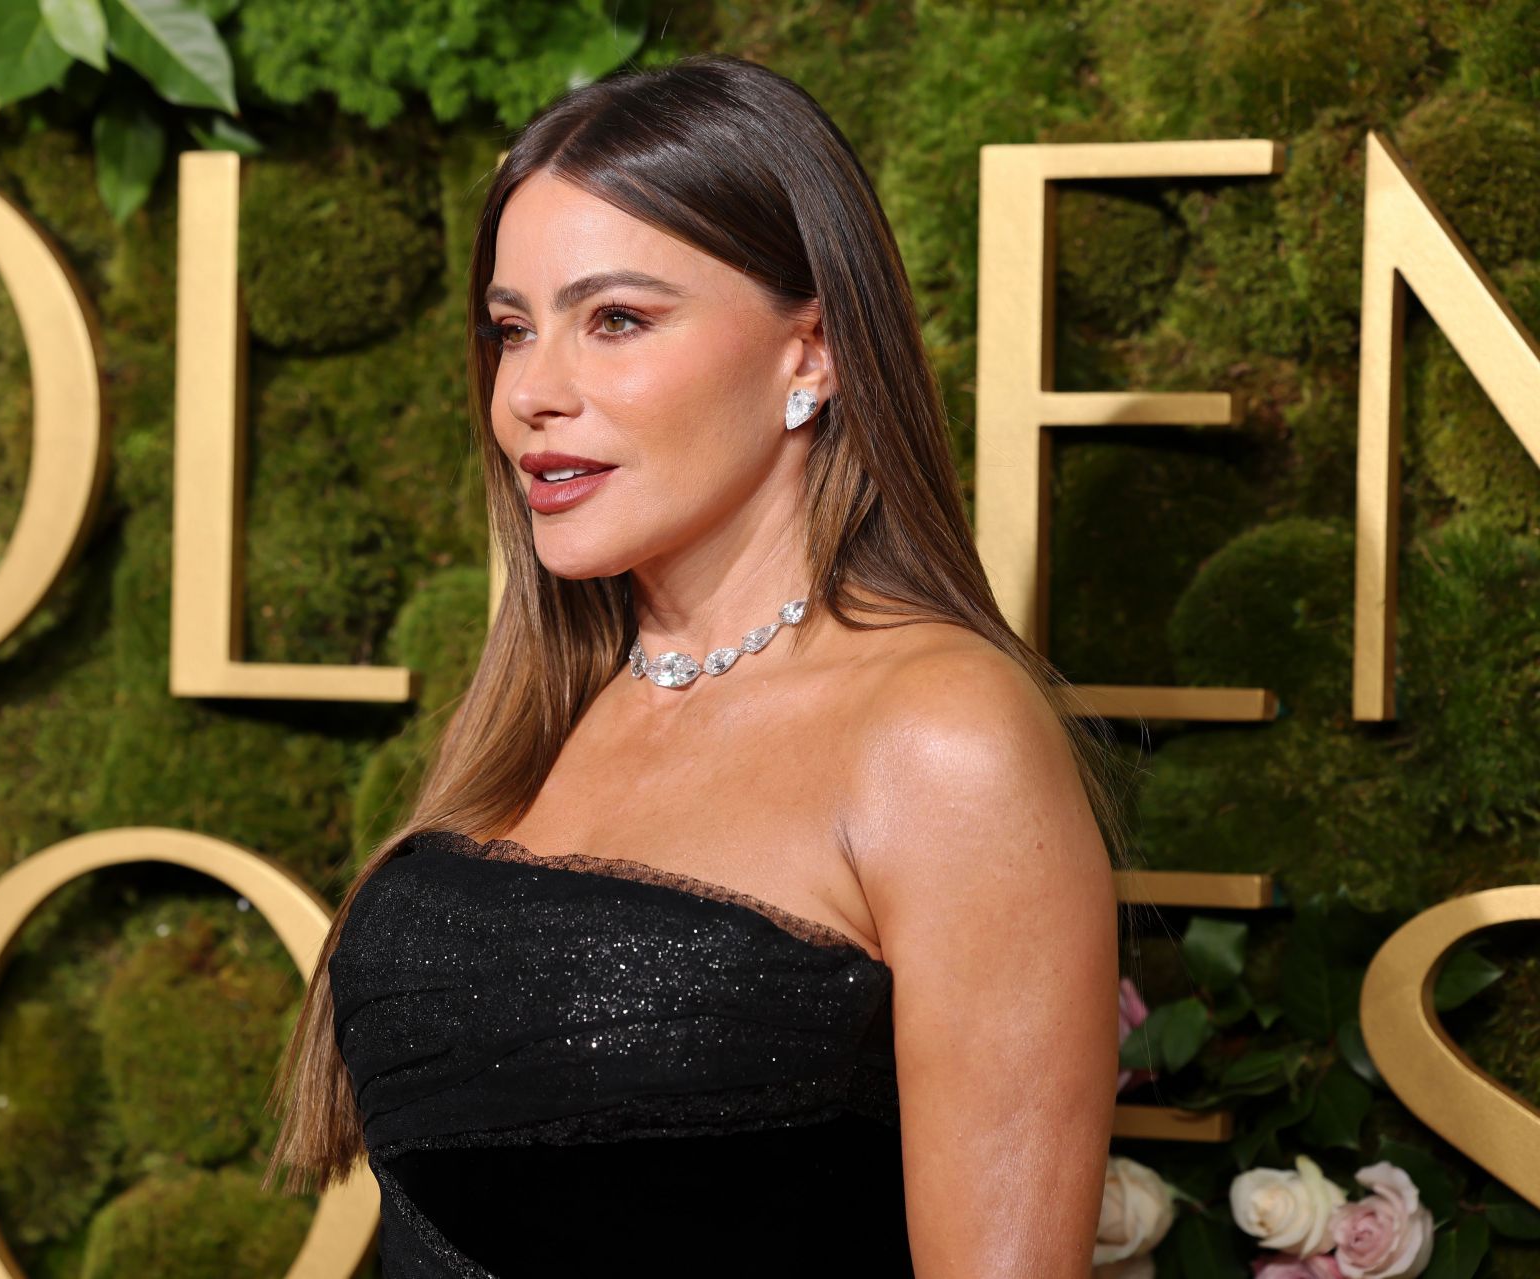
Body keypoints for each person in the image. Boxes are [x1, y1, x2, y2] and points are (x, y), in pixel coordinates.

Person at [263, 52, 1128, 1277]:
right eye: (514, 330)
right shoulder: (548, 708)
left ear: (811, 353)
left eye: (616, 319)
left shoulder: (943, 735)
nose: (532, 395)